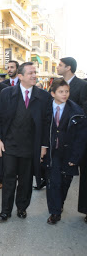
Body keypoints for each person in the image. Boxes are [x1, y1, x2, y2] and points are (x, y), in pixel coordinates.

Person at [0, 62, 51, 222]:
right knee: (9, 178)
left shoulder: (43, 96)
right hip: (10, 145)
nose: (34, 75)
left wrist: (43, 146)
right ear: (20, 76)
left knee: (26, 180)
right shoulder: (6, 93)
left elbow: (47, 124)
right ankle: (5, 211)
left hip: (30, 147)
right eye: (30, 73)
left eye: (35, 72)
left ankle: (22, 208)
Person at [44, 79, 87, 225]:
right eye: (61, 91)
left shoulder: (76, 111)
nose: (64, 94)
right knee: (53, 181)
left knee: (65, 181)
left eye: (67, 91)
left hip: (69, 152)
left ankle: (60, 203)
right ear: (52, 93)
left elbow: (81, 137)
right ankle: (55, 212)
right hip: (52, 152)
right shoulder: (46, 108)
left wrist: (75, 157)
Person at [56, 56, 87, 223]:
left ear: (68, 68)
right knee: (61, 174)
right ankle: (57, 206)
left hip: (79, 137)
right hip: (60, 138)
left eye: (60, 65)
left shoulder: (82, 86)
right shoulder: (56, 84)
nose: (57, 67)